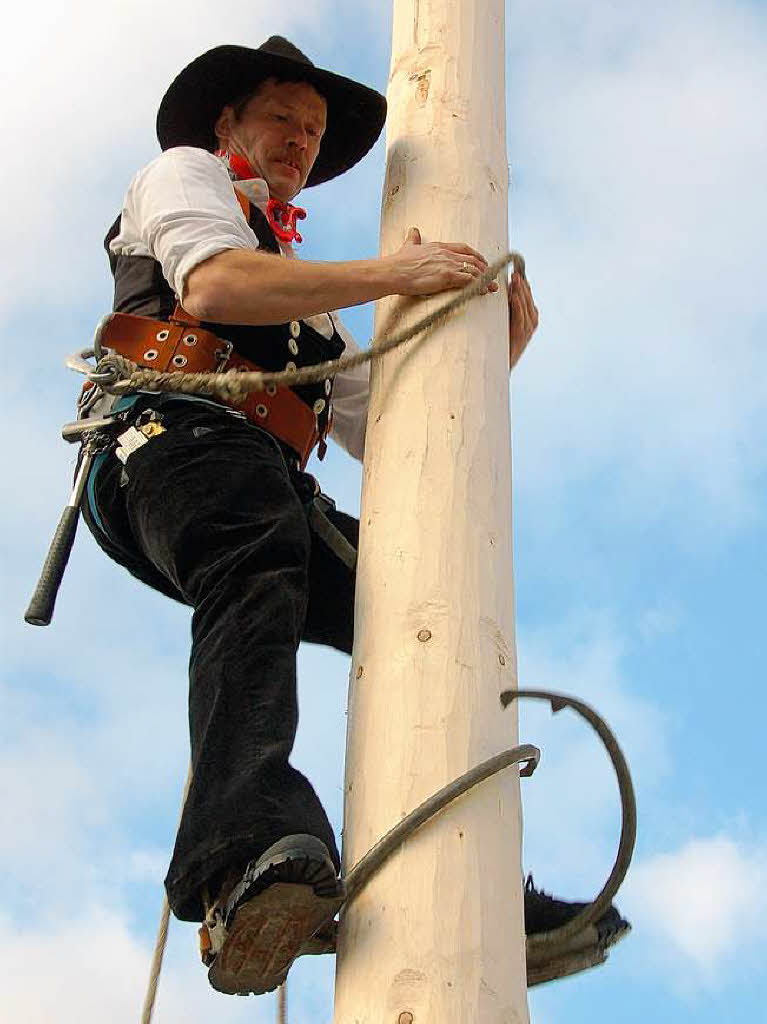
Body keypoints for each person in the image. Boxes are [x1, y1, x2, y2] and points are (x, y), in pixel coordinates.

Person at [80, 35, 624, 997]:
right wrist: (390, 277)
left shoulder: (304, 295)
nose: (300, 139)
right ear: (227, 124)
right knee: (255, 571)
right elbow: (210, 284)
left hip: (264, 469)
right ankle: (237, 863)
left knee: (430, 605)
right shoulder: (184, 176)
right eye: (283, 117)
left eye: (315, 130)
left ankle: (469, 885)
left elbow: (384, 423)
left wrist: (490, 355)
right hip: (175, 440)